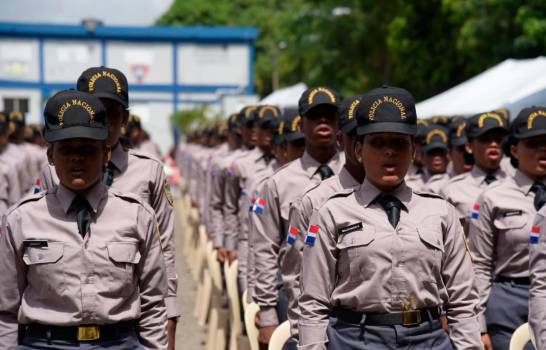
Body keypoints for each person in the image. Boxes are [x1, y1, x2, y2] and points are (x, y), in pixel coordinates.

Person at [298, 85, 481, 350]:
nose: (389, 152)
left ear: (413, 150)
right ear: (359, 150)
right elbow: (313, 302)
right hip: (356, 339)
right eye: (378, 142)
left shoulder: (440, 212)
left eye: (398, 143)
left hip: (427, 340)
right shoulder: (331, 213)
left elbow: (463, 300)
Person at [0, 89, 167, 349]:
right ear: (50, 156)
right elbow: (6, 311)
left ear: (106, 154)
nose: (77, 158)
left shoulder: (137, 216)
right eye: (66, 149)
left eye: (87, 149)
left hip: (119, 342)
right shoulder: (21, 220)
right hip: (45, 343)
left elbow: (154, 304)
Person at [39, 66, 180, 349]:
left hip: (129, 315)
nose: (103, 119)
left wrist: (170, 311)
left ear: (125, 117)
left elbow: (165, 248)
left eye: (111, 112)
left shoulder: (148, 171)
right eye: (94, 108)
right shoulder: (53, 171)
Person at [252, 87, 344, 348]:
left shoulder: (358, 176)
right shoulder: (278, 183)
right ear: (302, 124)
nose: (323, 122)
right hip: (297, 302)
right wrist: (268, 315)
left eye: (330, 116)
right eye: (316, 117)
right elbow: (264, 249)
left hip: (350, 306)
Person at [281, 95, 366, 339]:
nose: (365, 146)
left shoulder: (410, 201)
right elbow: (296, 276)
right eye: (357, 138)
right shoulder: (313, 200)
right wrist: (305, 336)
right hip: (332, 328)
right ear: (342, 140)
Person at [470, 106, 546, 350]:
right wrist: (478, 324)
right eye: (533, 143)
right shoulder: (492, 197)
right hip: (510, 303)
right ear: (514, 150)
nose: (543, 149)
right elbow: (479, 264)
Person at [246, 110, 305, 303]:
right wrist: (257, 299)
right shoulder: (267, 184)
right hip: (285, 283)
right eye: (297, 146)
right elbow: (260, 244)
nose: (302, 152)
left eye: (305, 144)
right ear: (279, 149)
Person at [442, 111, 509, 231]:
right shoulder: (452, 191)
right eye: (485, 139)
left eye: (499, 140)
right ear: (469, 147)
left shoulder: (521, 185)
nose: (493, 144)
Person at [417, 124, 451, 194]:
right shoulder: (411, 185)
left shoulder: (456, 183)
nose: (437, 157)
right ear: (422, 157)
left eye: (442, 153)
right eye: (431, 152)